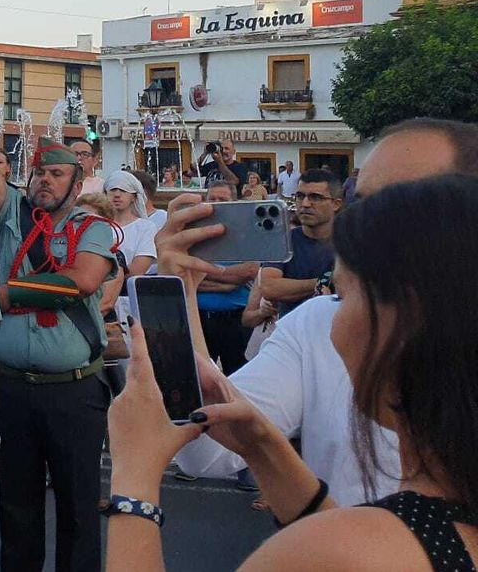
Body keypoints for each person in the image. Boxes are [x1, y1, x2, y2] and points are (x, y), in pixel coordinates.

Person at [106, 172, 478, 571]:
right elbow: (204, 441)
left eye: (341, 292)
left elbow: (346, 549)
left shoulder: (343, 547)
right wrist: (264, 447)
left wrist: (133, 485)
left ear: (395, 316)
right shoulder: (433, 521)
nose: (332, 314)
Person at [164, 117, 478, 507]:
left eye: (406, 203)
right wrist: (176, 294)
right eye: (363, 204)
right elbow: (206, 447)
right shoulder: (322, 323)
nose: (370, 225)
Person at [0, 56, 116, 572]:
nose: (46, 181)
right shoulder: (11, 213)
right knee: (17, 512)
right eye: (42, 172)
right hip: (14, 389)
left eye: (58, 174)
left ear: (77, 184)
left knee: (78, 514)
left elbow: (82, 281)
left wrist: (5, 296)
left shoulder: (90, 227)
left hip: (73, 391)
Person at [191, 180, 262, 377]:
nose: (216, 203)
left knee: (239, 381)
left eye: (222, 199)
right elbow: (187, 274)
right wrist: (226, 281)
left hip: (236, 321)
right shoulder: (193, 234)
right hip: (201, 320)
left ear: (234, 202)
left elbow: (248, 272)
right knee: (199, 381)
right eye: (212, 199)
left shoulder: (248, 234)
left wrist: (201, 273)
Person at [261, 169, 340, 315]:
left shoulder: (352, 242)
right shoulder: (282, 241)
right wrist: (324, 281)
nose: (305, 204)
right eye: (300, 196)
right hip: (292, 333)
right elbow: (269, 287)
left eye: (315, 197)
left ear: (336, 204)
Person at [106, 170, 155, 278]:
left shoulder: (145, 227)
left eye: (123, 190)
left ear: (133, 197)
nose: (117, 195)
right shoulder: (97, 226)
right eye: (113, 190)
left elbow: (138, 269)